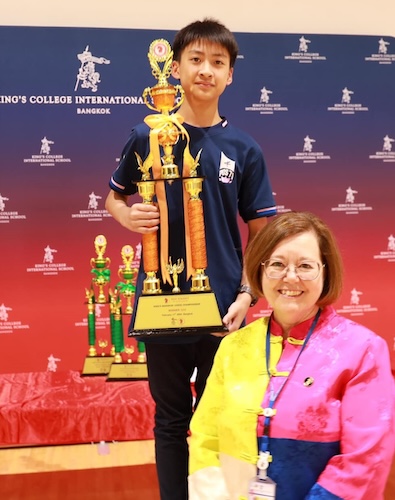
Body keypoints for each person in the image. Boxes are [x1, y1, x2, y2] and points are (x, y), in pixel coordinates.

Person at [105, 18, 277, 500]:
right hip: (160, 304)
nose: (206, 71)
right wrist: (128, 216)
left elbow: (261, 231)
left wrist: (248, 293)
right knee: (170, 419)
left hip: (224, 307)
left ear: (230, 76)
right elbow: (114, 197)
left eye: (217, 63)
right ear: (174, 68)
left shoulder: (244, 148)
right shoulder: (146, 134)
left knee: (225, 415)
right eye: (196, 60)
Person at [188, 211, 395, 500]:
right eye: (277, 264)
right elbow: (206, 440)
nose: (290, 277)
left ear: (326, 272)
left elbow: (366, 460)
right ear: (260, 271)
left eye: (305, 265)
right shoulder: (233, 348)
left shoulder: (362, 349)